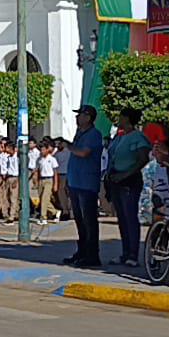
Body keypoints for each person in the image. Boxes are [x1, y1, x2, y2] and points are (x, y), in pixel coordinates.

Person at [106, 108, 151, 267]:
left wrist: (125, 174)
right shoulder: (119, 137)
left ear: (127, 118)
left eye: (121, 117)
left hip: (129, 180)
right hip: (115, 179)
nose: (119, 119)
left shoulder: (137, 137)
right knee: (122, 218)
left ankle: (133, 254)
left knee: (130, 216)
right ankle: (125, 252)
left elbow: (142, 159)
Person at [64, 105, 104, 268]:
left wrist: (68, 146)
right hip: (75, 182)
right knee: (80, 221)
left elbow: (84, 153)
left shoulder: (94, 135)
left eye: (80, 115)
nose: (77, 118)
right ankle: (82, 252)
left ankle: (92, 255)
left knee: (89, 221)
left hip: (87, 184)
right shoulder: (80, 134)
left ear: (88, 117)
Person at [36, 142, 59, 224]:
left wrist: (55, 184)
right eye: (41, 150)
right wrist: (37, 181)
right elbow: (38, 170)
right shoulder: (39, 159)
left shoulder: (52, 159)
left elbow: (55, 172)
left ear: (47, 150)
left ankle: (43, 217)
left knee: (45, 197)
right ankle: (55, 212)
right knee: (43, 199)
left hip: (49, 180)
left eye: (43, 149)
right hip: (42, 180)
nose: (42, 151)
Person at [54, 137, 71, 220]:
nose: (57, 145)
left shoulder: (68, 152)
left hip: (67, 174)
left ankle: (67, 211)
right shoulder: (57, 153)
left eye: (59, 143)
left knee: (65, 194)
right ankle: (66, 211)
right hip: (61, 175)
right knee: (63, 194)